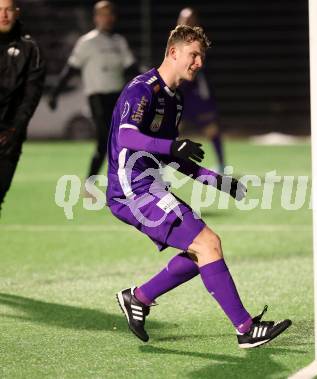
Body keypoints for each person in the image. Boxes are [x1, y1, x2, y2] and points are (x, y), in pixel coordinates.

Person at [108, 25, 291, 348]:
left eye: (202, 57)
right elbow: (126, 136)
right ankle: (245, 329)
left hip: (150, 185)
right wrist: (171, 147)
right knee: (208, 244)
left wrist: (216, 181)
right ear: (173, 52)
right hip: (132, 190)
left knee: (202, 253)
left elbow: (172, 157)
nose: (199, 63)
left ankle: (139, 297)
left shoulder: (174, 101)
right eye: (194, 55)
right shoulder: (143, 90)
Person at [48, 1, 138, 190]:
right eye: (103, 14)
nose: (107, 18)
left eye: (110, 14)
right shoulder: (87, 42)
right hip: (97, 97)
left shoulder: (119, 41)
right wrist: (55, 93)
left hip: (117, 97)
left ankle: (126, 183)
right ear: (96, 18)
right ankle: (90, 183)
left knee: (125, 138)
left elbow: (132, 67)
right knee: (105, 139)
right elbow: (71, 69)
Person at [0, 0, 45, 214]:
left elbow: (31, 97)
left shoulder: (30, 49)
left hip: (8, 139)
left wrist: (14, 130)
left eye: (8, 9)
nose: (4, 15)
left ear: (17, 12)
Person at [177, 7, 226, 172]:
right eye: (184, 20)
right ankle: (160, 168)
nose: (187, 23)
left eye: (190, 20)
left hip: (197, 92)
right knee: (170, 130)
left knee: (211, 128)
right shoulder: (174, 41)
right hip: (180, 91)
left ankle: (221, 164)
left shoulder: (200, 41)